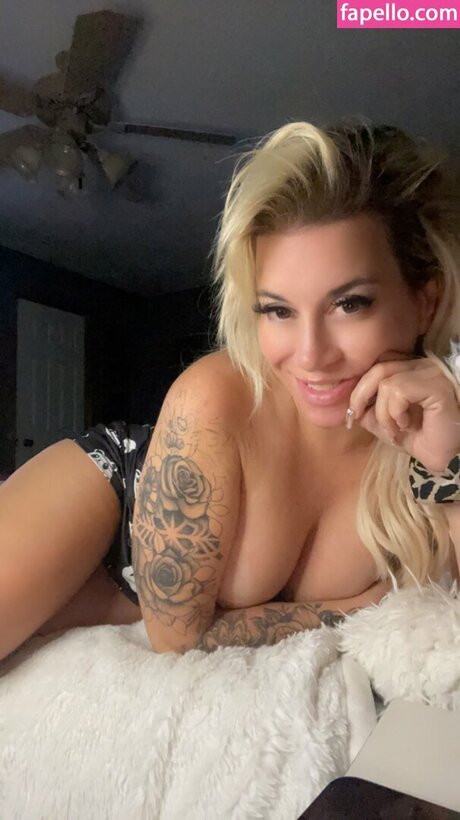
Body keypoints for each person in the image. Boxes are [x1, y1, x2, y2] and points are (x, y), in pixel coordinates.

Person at [2, 118, 460, 661]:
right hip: (106, 505)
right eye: (278, 310)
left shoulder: (434, 431)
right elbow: (179, 639)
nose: (310, 355)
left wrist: (448, 460)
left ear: (425, 301)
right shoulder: (215, 397)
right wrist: (359, 608)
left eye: (349, 304)